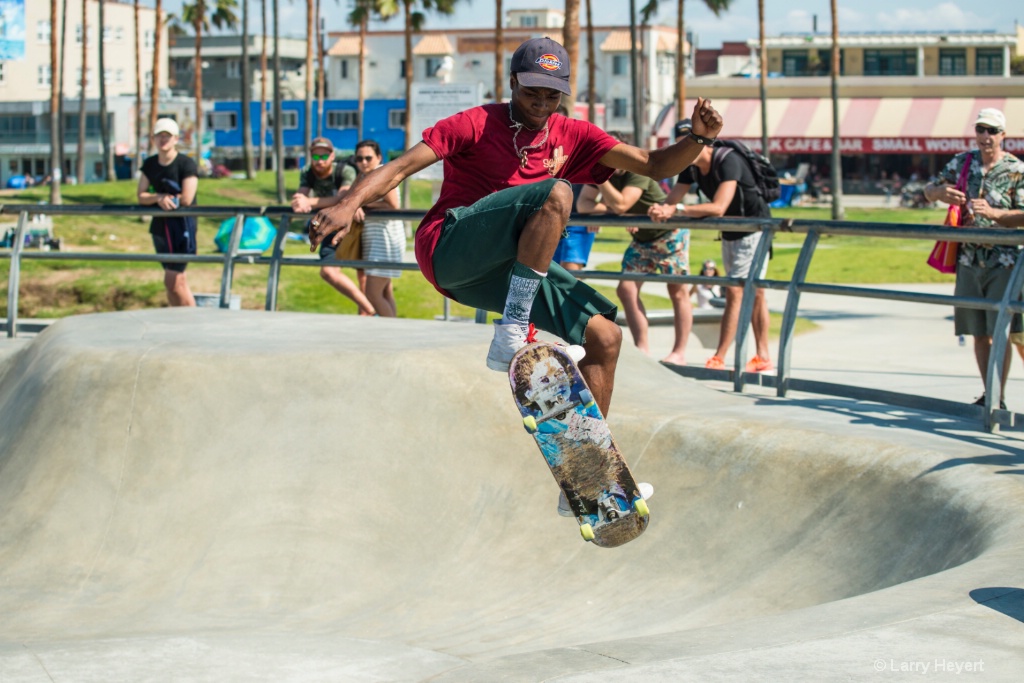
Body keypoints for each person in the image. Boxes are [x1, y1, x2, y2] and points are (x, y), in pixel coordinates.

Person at [307, 37, 721, 510]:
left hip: (505, 272)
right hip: (450, 248)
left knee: (605, 337)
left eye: (552, 95)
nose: (542, 105)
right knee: (557, 194)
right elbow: (400, 167)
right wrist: (346, 203)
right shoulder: (476, 123)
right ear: (512, 84)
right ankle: (512, 330)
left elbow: (652, 164)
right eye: (532, 93)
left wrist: (699, 139)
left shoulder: (576, 134)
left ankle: (584, 478)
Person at [649, 119, 773, 373]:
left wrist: (677, 209)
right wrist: (661, 208)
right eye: (682, 142)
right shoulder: (690, 166)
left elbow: (718, 207)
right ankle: (763, 355)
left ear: (706, 141)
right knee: (755, 292)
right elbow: (672, 200)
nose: (687, 147)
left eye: (692, 141)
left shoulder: (728, 160)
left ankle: (720, 356)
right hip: (731, 233)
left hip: (754, 229)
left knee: (736, 291)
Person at [922, 108, 1024, 409]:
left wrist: (994, 214)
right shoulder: (963, 162)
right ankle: (992, 395)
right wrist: (941, 193)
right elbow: (928, 190)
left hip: (1003, 262)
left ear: (1003, 135)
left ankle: (996, 394)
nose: (985, 136)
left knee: (1002, 331)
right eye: (981, 129)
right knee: (979, 332)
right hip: (968, 259)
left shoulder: (1016, 169)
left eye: (992, 131)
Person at [578, 162, 693, 366]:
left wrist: (603, 184)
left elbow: (622, 204)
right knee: (626, 289)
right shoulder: (599, 172)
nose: (603, 164)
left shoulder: (635, 171)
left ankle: (679, 352)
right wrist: (613, 210)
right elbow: (583, 205)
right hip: (642, 238)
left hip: (669, 233)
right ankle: (643, 348)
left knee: (677, 290)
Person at [291, 137, 376, 316]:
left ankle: (366, 315)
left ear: (332, 156)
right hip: (331, 226)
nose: (320, 161)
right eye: (315, 157)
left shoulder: (344, 170)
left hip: (352, 224)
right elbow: (300, 196)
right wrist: (299, 202)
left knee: (363, 274)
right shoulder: (308, 171)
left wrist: (310, 202)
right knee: (329, 271)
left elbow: (342, 198)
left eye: (324, 156)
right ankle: (370, 309)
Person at [136, 118, 199, 307]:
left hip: (182, 227)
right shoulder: (150, 164)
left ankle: (193, 321)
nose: (163, 140)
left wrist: (166, 199)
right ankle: (178, 320)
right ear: (154, 138)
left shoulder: (186, 163)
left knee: (174, 281)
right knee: (173, 283)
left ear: (175, 139)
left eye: (167, 136)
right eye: (159, 136)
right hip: (160, 227)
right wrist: (158, 198)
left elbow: (187, 198)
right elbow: (141, 196)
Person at [351, 139, 406, 317]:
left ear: (379, 157)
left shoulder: (382, 174)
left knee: (372, 294)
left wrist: (364, 205)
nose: (364, 162)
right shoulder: (362, 177)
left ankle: (390, 333)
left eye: (368, 158)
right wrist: (355, 204)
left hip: (386, 240)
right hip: (374, 240)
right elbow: (349, 200)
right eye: (359, 159)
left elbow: (393, 205)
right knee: (384, 292)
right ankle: (394, 332)